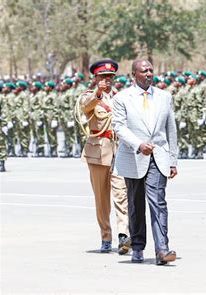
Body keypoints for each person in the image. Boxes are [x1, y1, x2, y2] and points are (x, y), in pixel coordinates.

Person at [112, 59, 178, 265]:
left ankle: (162, 250)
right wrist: (139, 144)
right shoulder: (122, 98)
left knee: (158, 202)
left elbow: (171, 129)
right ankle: (138, 246)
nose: (149, 74)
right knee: (135, 203)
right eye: (144, 71)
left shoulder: (164, 96)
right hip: (133, 156)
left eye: (151, 70)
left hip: (158, 156)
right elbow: (119, 127)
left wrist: (173, 160)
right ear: (134, 75)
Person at [79, 59, 130, 254]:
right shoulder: (89, 96)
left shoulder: (120, 97)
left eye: (110, 77)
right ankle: (106, 236)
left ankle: (123, 235)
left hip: (119, 152)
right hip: (98, 152)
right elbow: (85, 107)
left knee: (122, 194)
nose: (107, 81)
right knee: (101, 198)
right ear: (96, 78)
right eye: (103, 77)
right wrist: (97, 93)